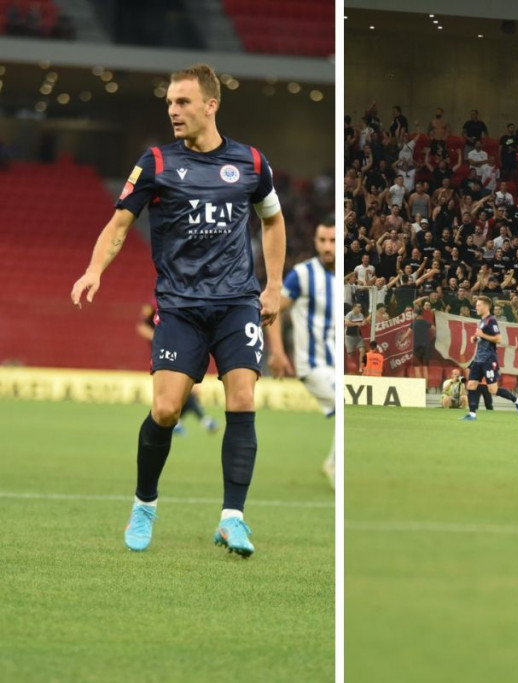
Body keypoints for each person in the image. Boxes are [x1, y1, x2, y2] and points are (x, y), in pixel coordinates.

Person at [70, 63, 286, 557]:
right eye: (169, 102)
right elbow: (120, 224)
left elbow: (272, 222)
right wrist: (94, 269)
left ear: (211, 105)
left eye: (183, 102)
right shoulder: (156, 163)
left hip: (236, 303)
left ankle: (233, 519)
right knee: (166, 409)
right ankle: (145, 503)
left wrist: (271, 287)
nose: (173, 110)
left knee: (243, 402)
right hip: (181, 305)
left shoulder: (252, 162)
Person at [265, 217, 337, 489]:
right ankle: (335, 467)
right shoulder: (303, 275)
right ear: (315, 242)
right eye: (322, 240)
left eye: (332, 240)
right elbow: (274, 310)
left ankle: (333, 464)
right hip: (313, 364)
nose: (327, 246)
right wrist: (278, 352)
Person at [136, 299, 219, 436]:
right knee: (176, 395)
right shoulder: (155, 302)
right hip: (164, 353)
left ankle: (182, 422)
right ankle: (200, 421)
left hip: (179, 350)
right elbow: (142, 327)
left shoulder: (188, 301)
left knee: (183, 394)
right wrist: (159, 337)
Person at [460, 295, 518, 421]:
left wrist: (482, 334)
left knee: (493, 390)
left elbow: (499, 339)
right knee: (471, 385)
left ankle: (517, 401)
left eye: (478, 305)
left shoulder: (491, 320)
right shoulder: (482, 321)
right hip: (478, 359)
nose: (476, 308)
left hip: (488, 359)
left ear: (485, 306)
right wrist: (475, 338)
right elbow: (481, 337)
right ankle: (472, 414)